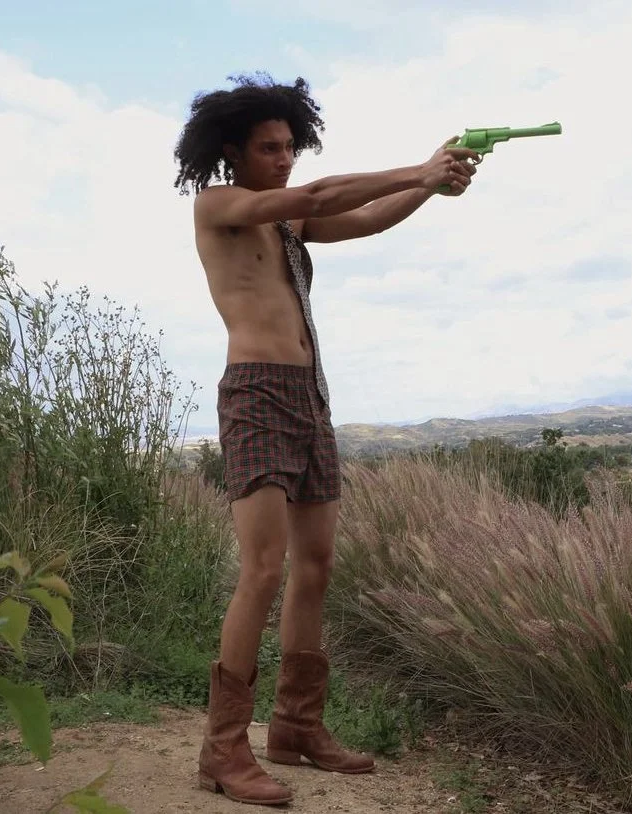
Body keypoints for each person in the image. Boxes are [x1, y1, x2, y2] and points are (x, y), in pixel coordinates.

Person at [172, 72, 479, 807]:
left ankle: (297, 728)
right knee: (264, 569)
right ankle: (222, 751)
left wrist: (434, 184)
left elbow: (365, 218)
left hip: (310, 397)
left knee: (315, 563)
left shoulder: (285, 222)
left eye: (290, 146)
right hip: (255, 394)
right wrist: (418, 166)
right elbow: (313, 197)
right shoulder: (221, 205)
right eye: (270, 148)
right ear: (232, 151)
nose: (285, 159)